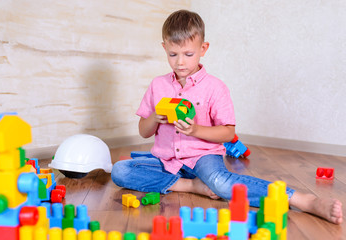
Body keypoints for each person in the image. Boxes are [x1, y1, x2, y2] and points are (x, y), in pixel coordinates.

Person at [111, 9, 342, 224]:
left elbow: (228, 132)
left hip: (202, 158)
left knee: (221, 182)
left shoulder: (215, 87)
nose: (180, 62)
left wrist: (194, 130)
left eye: (188, 54)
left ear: (203, 49)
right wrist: (154, 117)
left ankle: (302, 200)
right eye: (173, 54)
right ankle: (191, 186)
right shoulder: (158, 85)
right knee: (120, 170)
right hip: (167, 160)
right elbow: (143, 131)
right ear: (164, 48)